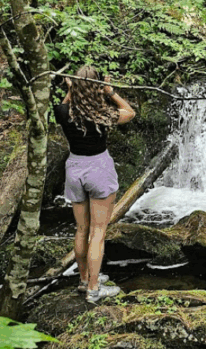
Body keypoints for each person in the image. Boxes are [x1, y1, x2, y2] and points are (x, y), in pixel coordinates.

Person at [54, 64, 135, 303]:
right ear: (97, 86)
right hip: (98, 168)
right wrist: (109, 91)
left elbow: (68, 102)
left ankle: (83, 280)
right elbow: (129, 112)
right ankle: (94, 289)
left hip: (75, 168)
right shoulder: (104, 113)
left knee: (82, 229)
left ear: (74, 85)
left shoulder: (62, 112)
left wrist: (72, 88)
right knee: (98, 232)